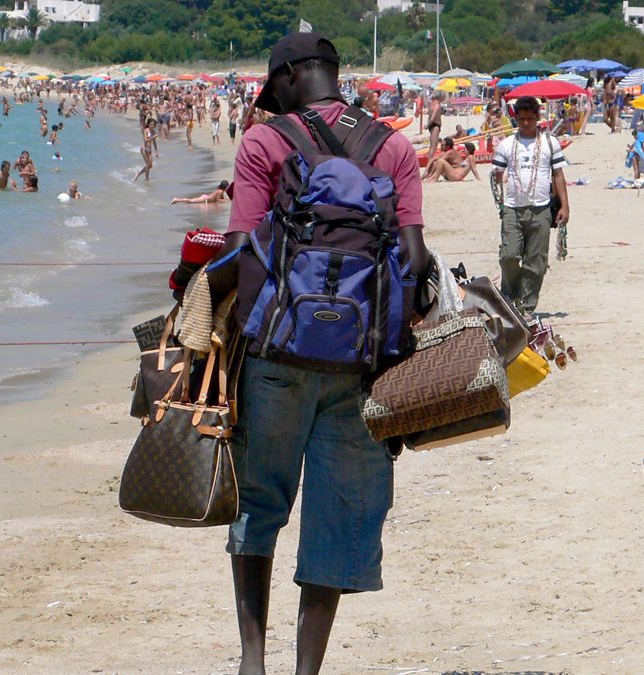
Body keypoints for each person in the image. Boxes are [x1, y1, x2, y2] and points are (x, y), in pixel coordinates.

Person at [199, 32, 428, 674]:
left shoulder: (266, 143)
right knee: (336, 518)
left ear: (294, 75)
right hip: (361, 364)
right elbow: (412, 259)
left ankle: (251, 659)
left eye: (275, 89)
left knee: (259, 502)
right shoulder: (394, 146)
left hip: (276, 355)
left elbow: (241, 250)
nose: (271, 103)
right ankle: (307, 671)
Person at [491, 95, 570, 316]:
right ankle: (509, 296)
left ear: (537, 118)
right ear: (516, 118)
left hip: (541, 209)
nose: (525, 123)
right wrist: (497, 177)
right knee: (509, 256)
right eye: (521, 119)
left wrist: (565, 206)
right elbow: (497, 175)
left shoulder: (550, 143)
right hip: (512, 209)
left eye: (529, 118)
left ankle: (526, 306)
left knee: (536, 262)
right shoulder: (506, 145)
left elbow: (558, 175)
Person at [424, 91, 444, 166]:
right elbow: (432, 118)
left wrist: (428, 125)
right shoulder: (437, 105)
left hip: (433, 125)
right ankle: (429, 166)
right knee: (433, 147)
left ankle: (430, 164)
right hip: (435, 125)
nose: (444, 99)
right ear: (440, 97)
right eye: (443, 97)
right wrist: (428, 125)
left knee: (432, 146)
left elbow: (429, 114)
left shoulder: (431, 104)